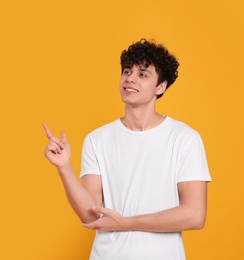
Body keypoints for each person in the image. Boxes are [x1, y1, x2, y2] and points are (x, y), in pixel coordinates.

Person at [42, 39, 211, 260]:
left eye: (142, 74)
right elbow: (90, 213)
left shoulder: (184, 138)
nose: (129, 78)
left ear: (160, 87)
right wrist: (64, 167)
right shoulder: (97, 139)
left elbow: (194, 215)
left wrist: (127, 223)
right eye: (126, 71)